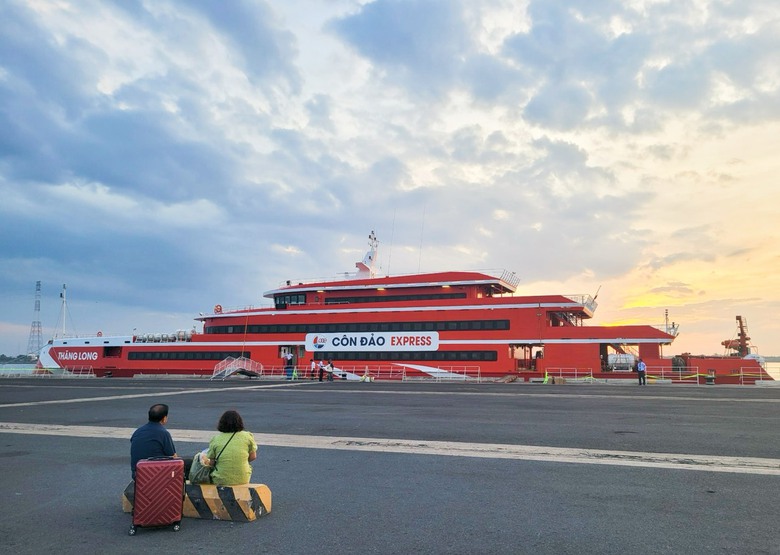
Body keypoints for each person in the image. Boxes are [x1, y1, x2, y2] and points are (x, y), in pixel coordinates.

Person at [206, 410, 258, 486]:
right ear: (240, 422)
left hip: (221, 479)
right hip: (243, 478)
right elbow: (253, 457)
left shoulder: (216, 439)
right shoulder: (248, 436)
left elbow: (212, 462)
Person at [130, 403, 178, 480]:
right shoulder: (163, 433)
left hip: (137, 475)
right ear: (164, 418)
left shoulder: (138, 431)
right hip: (156, 475)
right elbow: (173, 457)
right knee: (185, 464)